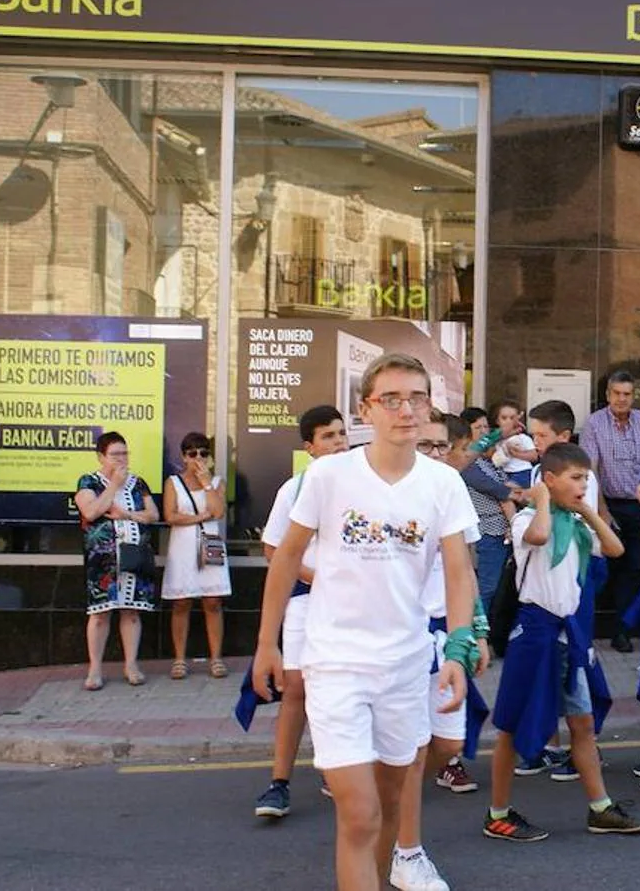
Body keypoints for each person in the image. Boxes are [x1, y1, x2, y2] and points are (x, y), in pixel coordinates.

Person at [252, 353, 479, 891]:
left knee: (393, 805)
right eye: (391, 399)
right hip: (337, 665)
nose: (406, 410)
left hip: (403, 666)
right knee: (360, 815)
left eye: (417, 398)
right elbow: (285, 557)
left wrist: (459, 649)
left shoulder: (443, 484)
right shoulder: (329, 475)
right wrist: (267, 643)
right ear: (366, 409)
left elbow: (458, 571)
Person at [485, 443, 640, 840]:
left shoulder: (578, 526)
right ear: (549, 480)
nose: (583, 485)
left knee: (582, 721)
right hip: (535, 633)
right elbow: (540, 536)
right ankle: (497, 813)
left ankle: (600, 808)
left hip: (569, 634)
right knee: (511, 724)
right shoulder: (526, 519)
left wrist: (587, 511)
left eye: (586, 478)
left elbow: (615, 548)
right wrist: (542, 500)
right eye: (575, 478)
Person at [391, 411, 491, 891]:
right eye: (424, 444)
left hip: (445, 638)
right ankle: (406, 851)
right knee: (411, 748)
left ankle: (394, 797)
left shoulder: (450, 491)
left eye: (438, 446)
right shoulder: (388, 492)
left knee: (448, 744)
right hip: (402, 640)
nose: (431, 453)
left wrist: (478, 629)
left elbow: (465, 568)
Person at [254, 405, 348, 820]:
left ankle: (337, 769)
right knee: (296, 689)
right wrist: (314, 576)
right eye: (328, 436)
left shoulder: (364, 488)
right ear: (309, 447)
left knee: (346, 690)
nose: (339, 443)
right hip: (306, 600)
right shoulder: (295, 489)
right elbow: (274, 549)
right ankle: (279, 783)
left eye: (342, 434)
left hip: (350, 605)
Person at [514, 399, 606, 780]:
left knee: (574, 666)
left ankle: (579, 745)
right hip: (543, 594)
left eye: (542, 435)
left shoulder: (579, 477)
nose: (535, 442)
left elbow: (595, 539)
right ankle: (546, 743)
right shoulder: (543, 470)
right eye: (533, 434)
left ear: (564, 436)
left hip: (573, 582)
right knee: (547, 671)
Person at [582, 371, 640, 653]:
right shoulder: (594, 424)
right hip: (607, 504)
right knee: (605, 570)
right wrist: (602, 511)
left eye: (627, 394)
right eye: (616, 393)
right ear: (607, 395)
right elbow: (590, 471)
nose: (621, 399)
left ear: (633, 395)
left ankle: (622, 631)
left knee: (634, 567)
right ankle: (589, 630)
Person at [74, 432, 160, 691]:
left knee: (131, 611)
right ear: (101, 456)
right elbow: (90, 511)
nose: (121, 459)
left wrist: (125, 514)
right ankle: (95, 668)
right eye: (115, 454)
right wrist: (113, 485)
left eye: (125, 453)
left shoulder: (138, 483)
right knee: (100, 613)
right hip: (104, 560)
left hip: (134, 556)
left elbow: (153, 514)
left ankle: (131, 664)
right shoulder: (89, 481)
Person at [161, 432, 231, 681]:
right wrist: (201, 517)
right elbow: (171, 516)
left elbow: (219, 511)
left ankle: (216, 657)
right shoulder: (173, 483)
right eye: (192, 454)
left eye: (203, 453)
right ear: (183, 456)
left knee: (212, 601)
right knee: (182, 601)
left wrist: (206, 483)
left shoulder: (217, 482)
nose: (198, 458)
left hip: (209, 543)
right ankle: (179, 658)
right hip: (182, 547)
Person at [457, 430, 519, 616]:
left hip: (504, 531)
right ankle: (478, 632)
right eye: (478, 428)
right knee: (488, 587)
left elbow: (508, 488)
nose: (485, 433)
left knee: (501, 586)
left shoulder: (488, 464)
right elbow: (502, 493)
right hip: (490, 532)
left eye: (487, 427)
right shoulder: (469, 467)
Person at [490, 399, 538, 488]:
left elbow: (534, 456)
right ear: (497, 421)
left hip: (522, 472)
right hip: (503, 473)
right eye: (504, 418)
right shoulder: (496, 439)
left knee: (506, 490)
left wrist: (516, 454)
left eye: (512, 418)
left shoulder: (522, 437)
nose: (508, 421)